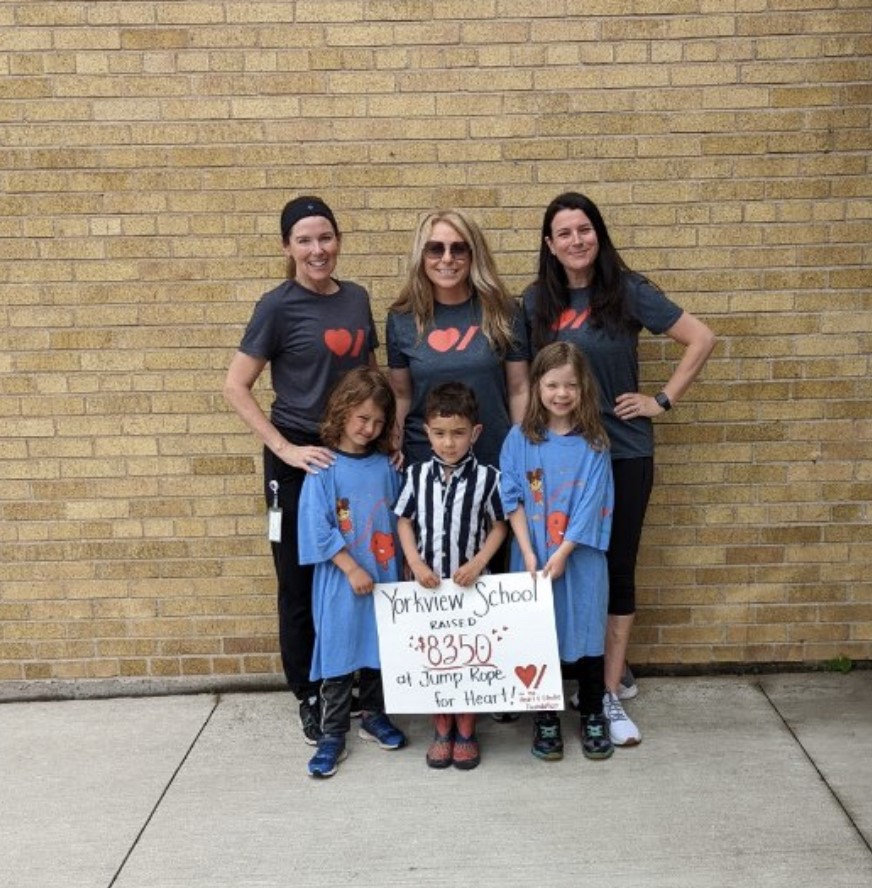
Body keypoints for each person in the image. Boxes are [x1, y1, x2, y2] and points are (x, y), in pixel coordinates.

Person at [523, 192, 716, 746]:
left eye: (585, 229)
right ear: (550, 244)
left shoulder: (627, 290)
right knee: (566, 565)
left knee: (615, 566)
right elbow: (522, 377)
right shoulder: (536, 302)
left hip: (623, 451)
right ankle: (564, 677)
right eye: (564, 233)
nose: (576, 241)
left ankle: (605, 693)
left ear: (598, 235)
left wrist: (662, 399)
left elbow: (700, 338)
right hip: (559, 461)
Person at [223, 196, 380, 746]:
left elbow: (370, 377)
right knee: (298, 575)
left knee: (354, 566)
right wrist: (285, 449)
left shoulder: (357, 299)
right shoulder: (277, 306)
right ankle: (308, 692)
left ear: (339, 240)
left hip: (354, 455)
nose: (318, 249)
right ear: (287, 247)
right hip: (299, 460)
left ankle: (354, 680)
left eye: (326, 237)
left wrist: (381, 439)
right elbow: (235, 386)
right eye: (305, 240)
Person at [499, 342, 615, 761]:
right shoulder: (519, 439)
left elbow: (592, 505)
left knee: (586, 631)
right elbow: (510, 495)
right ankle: (545, 716)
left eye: (570, 385)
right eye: (552, 384)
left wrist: (564, 552)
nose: (561, 393)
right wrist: (528, 553)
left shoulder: (595, 443)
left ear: (583, 388)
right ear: (537, 387)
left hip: (579, 556)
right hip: (531, 557)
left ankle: (592, 712)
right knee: (538, 636)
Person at [298, 367, 408, 778]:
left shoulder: (386, 466)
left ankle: (375, 716)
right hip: (343, 580)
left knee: (379, 652)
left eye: (378, 421)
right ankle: (332, 732)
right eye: (362, 418)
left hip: (384, 576)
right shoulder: (323, 468)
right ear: (343, 411)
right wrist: (350, 567)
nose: (369, 427)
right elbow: (316, 528)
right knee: (340, 654)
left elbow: (401, 518)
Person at [393, 382, 508, 770]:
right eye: (439, 434)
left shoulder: (488, 478)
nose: (448, 443)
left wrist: (478, 563)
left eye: (458, 433)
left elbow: (499, 526)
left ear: (475, 432)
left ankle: (466, 730)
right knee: (436, 662)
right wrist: (416, 563)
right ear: (426, 432)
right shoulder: (416, 475)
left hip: (471, 590)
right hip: (428, 588)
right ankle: (442, 728)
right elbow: (404, 522)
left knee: (468, 660)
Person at [386, 208, 530, 471]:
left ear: (474, 254)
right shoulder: (402, 318)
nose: (447, 258)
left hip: (494, 458)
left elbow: (519, 387)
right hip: (426, 462)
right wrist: (394, 442)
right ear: (422, 255)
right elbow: (401, 394)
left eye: (458, 249)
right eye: (435, 249)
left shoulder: (503, 311)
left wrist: (520, 446)